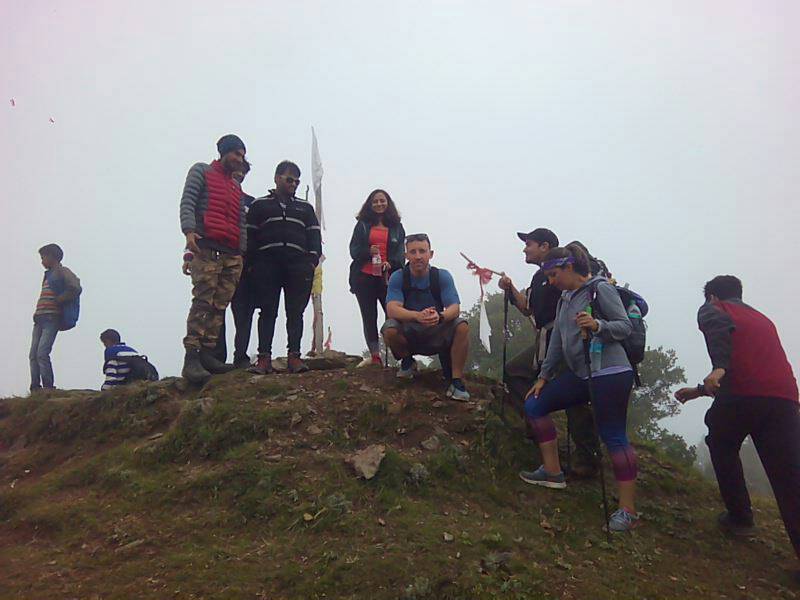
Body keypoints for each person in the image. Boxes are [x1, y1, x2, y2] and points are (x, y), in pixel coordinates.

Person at [675, 275, 799, 575]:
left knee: (720, 440)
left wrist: (718, 367)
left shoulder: (714, 310)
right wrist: (699, 391)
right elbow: (749, 363)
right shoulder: (763, 319)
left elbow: (719, 336)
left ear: (713, 296)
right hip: (784, 399)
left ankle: (740, 517)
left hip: (742, 395)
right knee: (790, 479)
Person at [519, 243, 638, 532]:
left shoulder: (600, 289)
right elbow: (558, 341)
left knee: (613, 435)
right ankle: (553, 471)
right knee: (535, 404)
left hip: (610, 372)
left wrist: (598, 325)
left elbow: (625, 327)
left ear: (569, 268)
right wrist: (544, 377)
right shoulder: (564, 298)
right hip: (582, 374)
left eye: (554, 274)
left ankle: (627, 510)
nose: (550, 281)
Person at [498, 228, 600, 477]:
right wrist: (510, 289)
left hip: (569, 338)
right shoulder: (539, 278)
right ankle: (537, 424)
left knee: (575, 398)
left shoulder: (567, 271)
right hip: (546, 339)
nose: (524, 248)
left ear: (545, 246)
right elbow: (528, 308)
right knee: (514, 371)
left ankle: (587, 460)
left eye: (529, 244)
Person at [179, 134, 248, 383]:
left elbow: (241, 221)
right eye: (236, 154)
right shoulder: (201, 171)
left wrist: (241, 250)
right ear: (224, 152)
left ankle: (208, 354)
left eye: (242, 155)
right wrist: (189, 233)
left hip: (231, 253)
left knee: (220, 306)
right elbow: (188, 202)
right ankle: (192, 357)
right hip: (207, 247)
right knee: (203, 302)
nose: (239, 159)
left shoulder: (236, 187)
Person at [247, 160, 322, 374]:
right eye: (289, 179)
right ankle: (263, 359)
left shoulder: (305, 207)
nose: (294, 184)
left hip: (298, 265)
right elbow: (249, 236)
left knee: (295, 312)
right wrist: (252, 262)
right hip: (267, 264)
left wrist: (311, 261)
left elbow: (314, 237)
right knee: (267, 311)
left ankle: (295, 358)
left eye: (297, 181)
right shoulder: (259, 205)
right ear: (277, 178)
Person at [381, 234, 471, 400]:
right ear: (406, 255)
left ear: (431, 253)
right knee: (390, 329)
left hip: (436, 329)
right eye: (413, 252)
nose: (418, 256)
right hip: (410, 331)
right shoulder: (398, 277)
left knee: (462, 326)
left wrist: (440, 317)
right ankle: (407, 362)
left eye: (422, 251)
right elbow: (392, 309)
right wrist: (417, 316)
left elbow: (455, 307)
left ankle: (456, 380)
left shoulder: (441, 276)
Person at [348, 189, 406, 366]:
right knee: (369, 316)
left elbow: (401, 254)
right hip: (364, 276)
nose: (379, 204)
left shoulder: (396, 226)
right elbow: (353, 250)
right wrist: (368, 252)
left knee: (393, 315)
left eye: (382, 201)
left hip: (388, 277)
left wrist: (392, 263)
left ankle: (402, 355)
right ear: (369, 204)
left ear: (388, 203)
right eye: (375, 201)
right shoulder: (363, 225)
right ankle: (375, 356)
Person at [29, 244, 82, 393]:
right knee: (33, 354)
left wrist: (60, 299)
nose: (42, 261)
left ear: (52, 256)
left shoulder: (62, 271)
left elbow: (76, 287)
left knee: (42, 352)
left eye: (43, 257)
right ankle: (35, 386)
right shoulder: (48, 275)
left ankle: (48, 386)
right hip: (40, 317)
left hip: (51, 317)